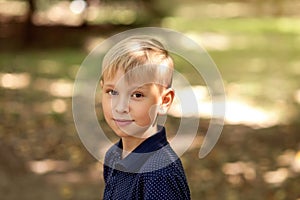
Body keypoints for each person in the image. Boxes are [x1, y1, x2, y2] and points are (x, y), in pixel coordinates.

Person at [100, 35, 190, 199]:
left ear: (164, 101)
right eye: (112, 92)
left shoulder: (159, 174)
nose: (120, 107)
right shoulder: (113, 155)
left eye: (137, 95)